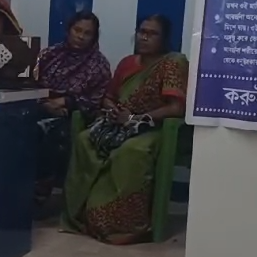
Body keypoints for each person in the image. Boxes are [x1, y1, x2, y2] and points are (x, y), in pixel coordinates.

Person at [61, 14, 188, 244]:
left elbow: (176, 107)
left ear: (164, 38)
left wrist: (136, 119)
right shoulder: (127, 63)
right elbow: (108, 97)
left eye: (152, 34)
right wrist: (113, 110)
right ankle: (80, 215)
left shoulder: (173, 63)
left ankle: (123, 224)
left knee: (131, 151)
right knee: (84, 140)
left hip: (152, 129)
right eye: (142, 32)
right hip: (118, 124)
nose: (144, 37)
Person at [33, 11, 111, 206]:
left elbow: (95, 99)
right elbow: (32, 84)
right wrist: (46, 103)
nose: (81, 36)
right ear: (69, 30)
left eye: (87, 33)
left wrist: (66, 102)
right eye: (77, 30)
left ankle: (41, 191)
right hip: (39, 105)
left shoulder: (99, 64)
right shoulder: (50, 55)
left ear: (94, 37)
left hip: (73, 116)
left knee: (51, 131)